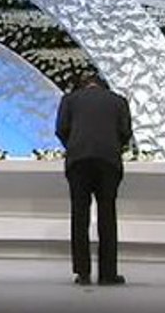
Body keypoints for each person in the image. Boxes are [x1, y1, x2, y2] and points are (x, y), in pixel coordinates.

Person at [55, 74, 132, 286]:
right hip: (108, 160)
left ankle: (83, 272)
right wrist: (113, 145)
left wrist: (74, 145)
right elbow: (125, 132)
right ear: (103, 86)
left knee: (80, 215)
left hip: (78, 160)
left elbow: (61, 129)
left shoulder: (70, 100)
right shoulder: (118, 101)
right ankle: (108, 273)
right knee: (107, 214)